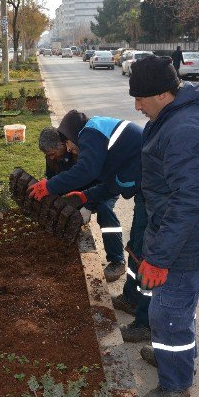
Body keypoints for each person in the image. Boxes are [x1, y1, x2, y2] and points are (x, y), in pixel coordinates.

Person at [129, 55, 199, 397]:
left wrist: (158, 258)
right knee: (172, 309)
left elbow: (188, 202)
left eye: (140, 98)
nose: (137, 106)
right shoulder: (171, 118)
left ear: (161, 94)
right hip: (182, 231)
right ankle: (168, 354)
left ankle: (176, 385)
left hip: (192, 238)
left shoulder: (185, 130)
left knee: (169, 313)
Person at [29, 112, 151, 341]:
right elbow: (111, 184)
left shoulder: (91, 133)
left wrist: (50, 186)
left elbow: (87, 171)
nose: (73, 151)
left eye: (70, 146)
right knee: (136, 245)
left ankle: (146, 322)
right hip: (143, 185)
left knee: (144, 252)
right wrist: (85, 196)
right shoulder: (97, 141)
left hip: (154, 188)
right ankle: (131, 299)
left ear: (70, 137)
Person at [38, 127, 126, 280]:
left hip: (104, 186)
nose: (50, 158)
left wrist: (88, 207)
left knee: (104, 210)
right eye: (48, 155)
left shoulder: (81, 151)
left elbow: (99, 183)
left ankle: (117, 261)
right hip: (78, 192)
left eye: (52, 153)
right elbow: (54, 182)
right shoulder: (52, 157)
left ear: (62, 144)